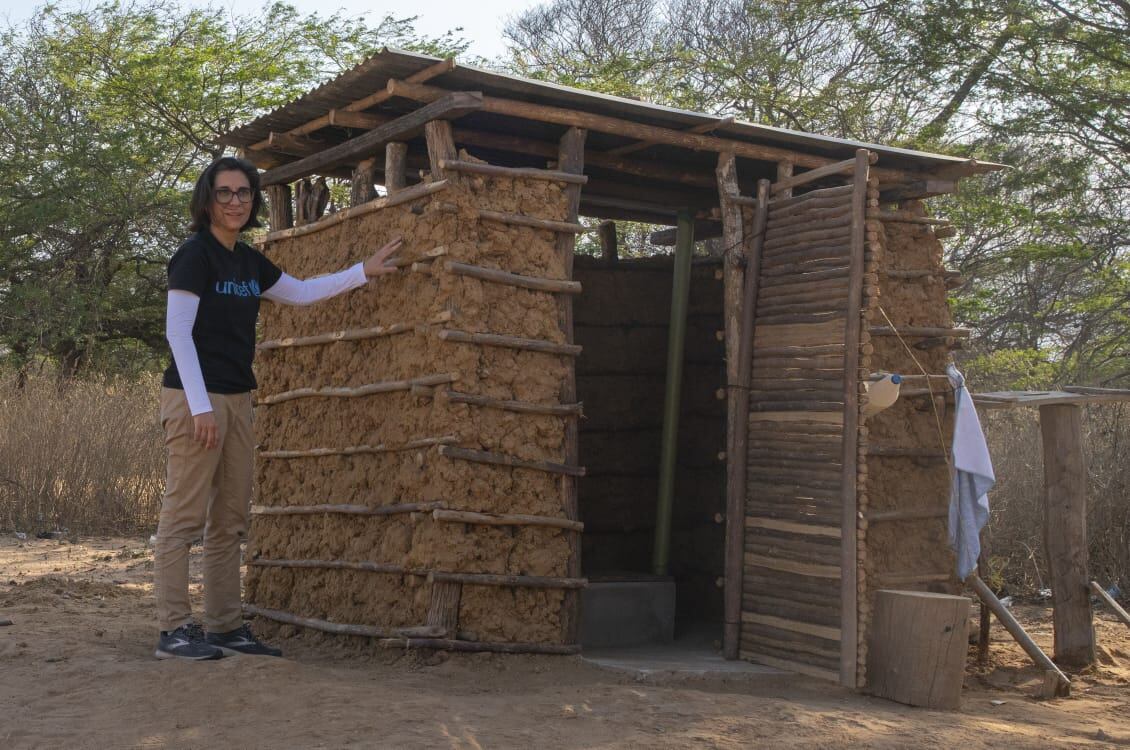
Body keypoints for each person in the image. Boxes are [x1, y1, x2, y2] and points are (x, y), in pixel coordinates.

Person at [154, 156, 401, 660]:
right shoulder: (193, 255)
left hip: (238, 397)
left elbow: (303, 293)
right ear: (207, 199)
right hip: (193, 397)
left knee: (229, 518)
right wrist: (201, 408)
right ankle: (174, 629)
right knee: (182, 517)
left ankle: (224, 626)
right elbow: (178, 333)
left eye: (243, 193)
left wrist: (362, 272)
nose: (235, 202)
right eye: (224, 193)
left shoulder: (249, 262)